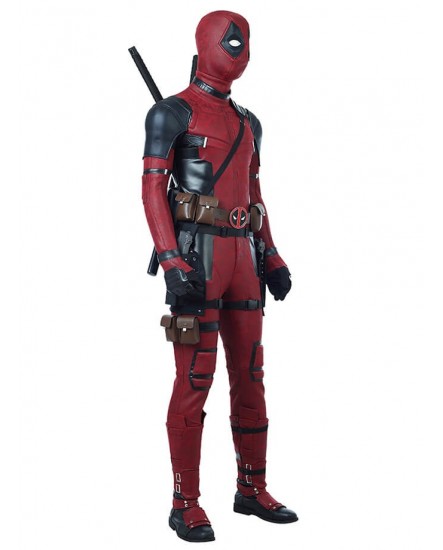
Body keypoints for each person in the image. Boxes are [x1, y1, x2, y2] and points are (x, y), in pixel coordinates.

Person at [141, 10, 298, 543]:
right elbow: (151, 191)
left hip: (244, 263)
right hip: (198, 260)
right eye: (230, 40)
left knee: (251, 375)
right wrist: (171, 260)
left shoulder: (250, 123)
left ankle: (252, 488)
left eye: (244, 41)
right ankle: (184, 502)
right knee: (194, 380)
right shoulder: (171, 114)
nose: (239, 49)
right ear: (205, 43)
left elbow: (254, 196)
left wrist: (271, 255)